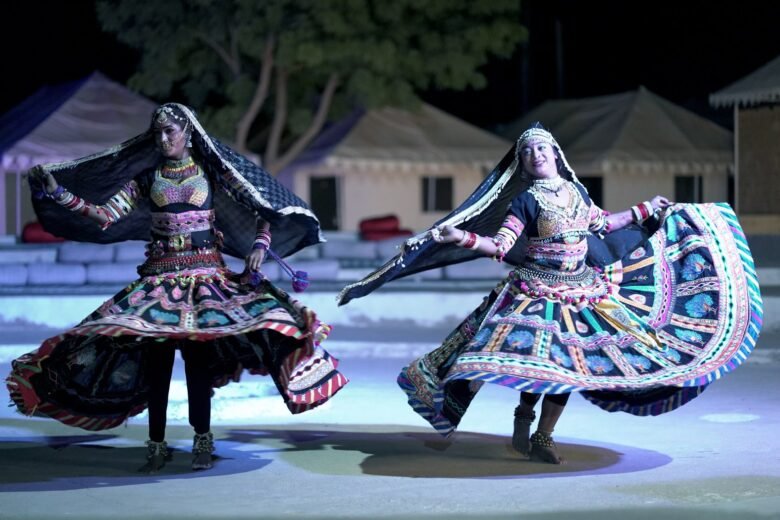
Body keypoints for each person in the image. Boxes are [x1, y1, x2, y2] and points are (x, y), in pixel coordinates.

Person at [337, 123, 762, 464]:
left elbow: (602, 224)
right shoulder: (524, 201)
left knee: (568, 366)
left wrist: (648, 209)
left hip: (582, 288)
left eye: (543, 149)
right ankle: (525, 415)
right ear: (522, 163)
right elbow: (501, 247)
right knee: (543, 363)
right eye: (528, 152)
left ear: (555, 154)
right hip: (536, 289)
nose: (537, 155)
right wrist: (461, 237)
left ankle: (543, 434)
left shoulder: (576, 191)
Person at [7, 103, 348, 473]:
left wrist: (260, 247)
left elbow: (261, 208)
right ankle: (156, 444)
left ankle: (203, 439)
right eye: (158, 133)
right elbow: (105, 216)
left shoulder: (212, 173)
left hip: (207, 281)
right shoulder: (146, 178)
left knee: (197, 367)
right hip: (157, 283)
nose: (163, 139)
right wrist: (58, 192)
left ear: (188, 133)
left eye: (170, 132)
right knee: (158, 368)